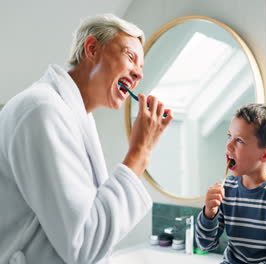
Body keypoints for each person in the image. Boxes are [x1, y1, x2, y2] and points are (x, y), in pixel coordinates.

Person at [0, 14, 173, 264]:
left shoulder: (74, 116)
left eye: (141, 68)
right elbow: (84, 243)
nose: (138, 74)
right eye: (130, 57)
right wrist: (140, 151)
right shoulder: (42, 110)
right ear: (92, 49)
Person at [196, 104, 266, 264]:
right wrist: (209, 214)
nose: (228, 145)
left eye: (239, 140)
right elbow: (204, 245)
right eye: (229, 136)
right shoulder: (227, 188)